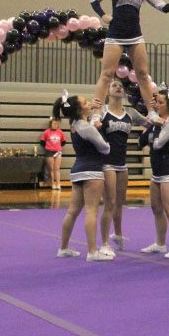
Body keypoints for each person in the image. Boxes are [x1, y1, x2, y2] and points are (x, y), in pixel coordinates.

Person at [53, 92, 113, 262]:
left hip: (78, 170)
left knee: (72, 212)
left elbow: (86, 117)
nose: (88, 103)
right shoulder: (86, 128)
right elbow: (105, 148)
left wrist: (93, 111)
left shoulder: (75, 124)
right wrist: (100, 132)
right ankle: (93, 251)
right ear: (79, 110)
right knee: (91, 211)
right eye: (85, 102)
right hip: (92, 170)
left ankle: (63, 248)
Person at [98, 78, 148, 252]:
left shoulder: (131, 113)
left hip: (122, 163)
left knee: (120, 203)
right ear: (107, 91)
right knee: (109, 203)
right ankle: (104, 243)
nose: (118, 87)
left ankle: (117, 235)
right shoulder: (102, 111)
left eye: (121, 86)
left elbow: (149, 123)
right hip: (107, 163)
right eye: (114, 85)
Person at [139, 86, 169, 259]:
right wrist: (151, 122)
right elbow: (140, 141)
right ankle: (160, 243)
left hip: (168, 170)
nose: (157, 105)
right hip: (156, 170)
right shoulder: (157, 122)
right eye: (156, 102)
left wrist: (153, 123)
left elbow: (158, 144)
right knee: (156, 208)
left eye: (160, 102)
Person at [39, 118, 65, 192]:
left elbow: (63, 142)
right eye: (54, 124)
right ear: (50, 124)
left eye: (56, 124)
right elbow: (42, 142)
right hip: (49, 152)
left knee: (57, 168)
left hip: (58, 151)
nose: (55, 125)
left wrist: (57, 147)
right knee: (51, 169)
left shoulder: (60, 132)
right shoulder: (47, 132)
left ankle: (58, 183)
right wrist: (49, 147)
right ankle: (53, 183)